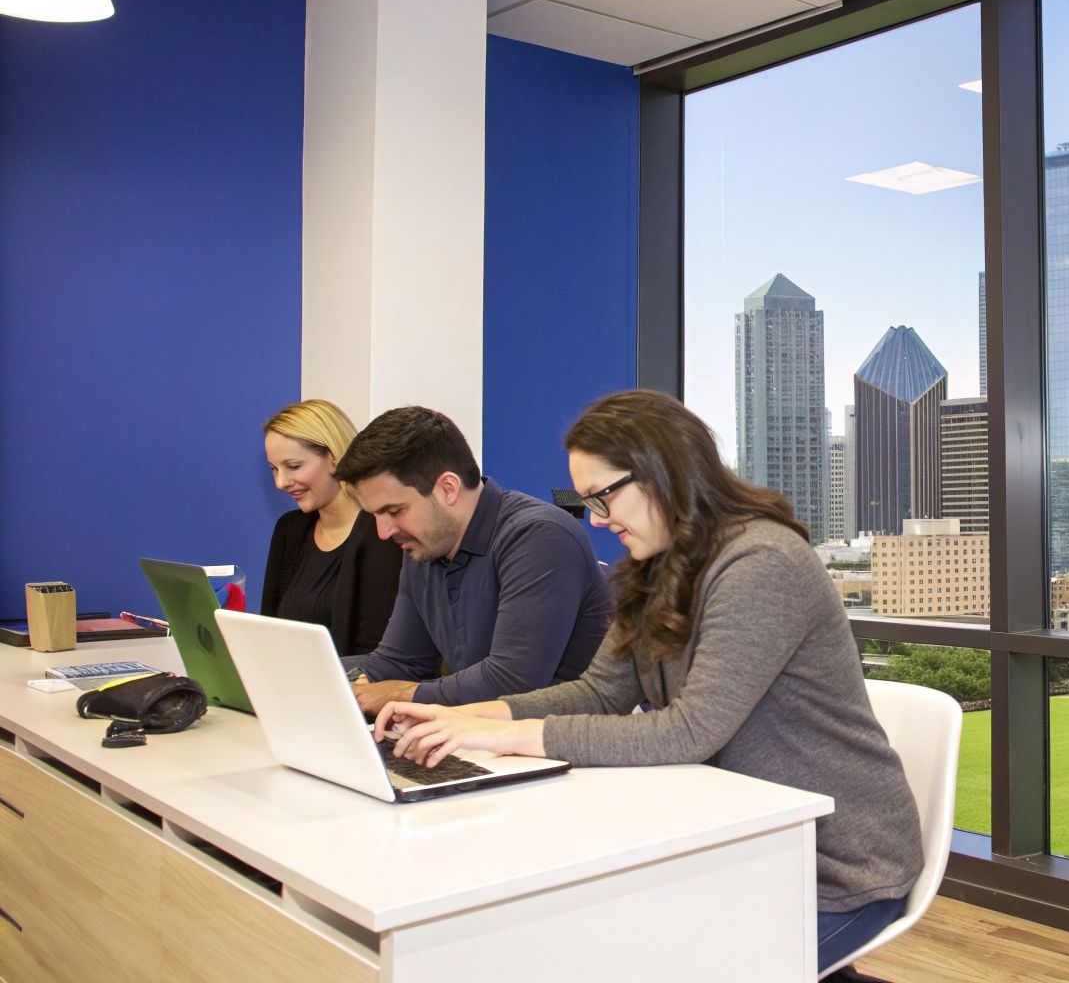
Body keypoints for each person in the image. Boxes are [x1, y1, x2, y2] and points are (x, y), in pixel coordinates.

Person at [375, 390, 923, 972]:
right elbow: (600, 693)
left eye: (602, 497)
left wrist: (504, 737)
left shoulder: (763, 562)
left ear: (664, 472)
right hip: (738, 845)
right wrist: (467, 719)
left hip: (835, 863)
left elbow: (690, 732)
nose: (596, 520)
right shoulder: (653, 566)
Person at [333, 406, 612, 716]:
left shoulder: (540, 535)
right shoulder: (425, 546)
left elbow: (512, 682)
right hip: (493, 742)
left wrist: (402, 693)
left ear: (448, 488)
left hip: (572, 750)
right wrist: (301, 678)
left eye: (395, 511)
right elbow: (399, 661)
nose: (384, 532)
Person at [261, 399, 402, 657]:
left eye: (293, 466)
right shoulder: (289, 530)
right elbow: (267, 634)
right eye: (274, 469)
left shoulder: (382, 533)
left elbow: (377, 656)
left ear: (335, 458)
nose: (281, 482)